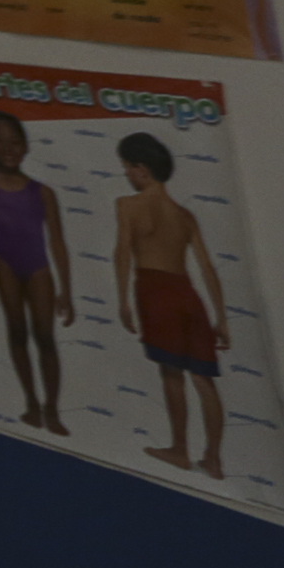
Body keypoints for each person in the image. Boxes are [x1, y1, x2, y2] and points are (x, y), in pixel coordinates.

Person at [113, 132, 230, 478]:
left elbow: (122, 254)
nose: (126, 175)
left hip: (156, 293)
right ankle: (213, 458)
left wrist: (122, 300)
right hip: (188, 295)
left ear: (142, 169)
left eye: (127, 168)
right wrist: (221, 317)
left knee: (171, 375)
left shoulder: (128, 206)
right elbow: (207, 268)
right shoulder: (184, 215)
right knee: (204, 380)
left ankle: (180, 449)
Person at [0, 110, 72, 435]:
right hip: (4, 264)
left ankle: (52, 409)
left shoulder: (42, 192)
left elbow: (57, 242)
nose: (8, 149)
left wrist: (66, 289)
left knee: (45, 338)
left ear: (25, 147)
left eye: (15, 142)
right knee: (16, 333)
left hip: (38, 268)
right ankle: (31, 404)